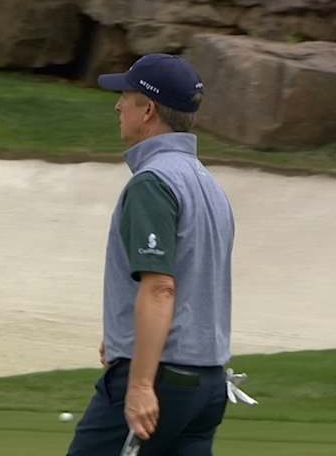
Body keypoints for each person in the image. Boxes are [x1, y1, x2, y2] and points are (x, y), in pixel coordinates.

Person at [66, 54, 235, 455]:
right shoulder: (208, 185)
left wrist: (140, 385)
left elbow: (161, 287)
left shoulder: (153, 183)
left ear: (148, 110)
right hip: (208, 382)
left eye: (126, 96)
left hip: (162, 379)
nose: (117, 105)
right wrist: (125, 338)